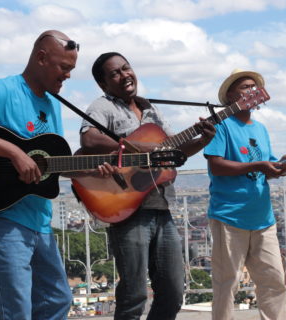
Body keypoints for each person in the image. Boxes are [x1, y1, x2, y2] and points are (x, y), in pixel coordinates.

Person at [0, 30, 114, 320]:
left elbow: (49, 162)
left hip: (39, 220)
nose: (68, 76)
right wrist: (14, 153)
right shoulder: (4, 90)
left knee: (56, 302)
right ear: (41, 58)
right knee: (15, 312)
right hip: (0, 217)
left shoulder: (52, 103)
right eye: (64, 67)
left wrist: (94, 169)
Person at [79, 52, 216, 320]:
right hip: (127, 208)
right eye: (115, 73)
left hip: (161, 206)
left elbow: (173, 151)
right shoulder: (103, 106)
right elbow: (90, 140)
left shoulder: (150, 109)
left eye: (126, 68)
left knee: (174, 291)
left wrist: (202, 140)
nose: (124, 75)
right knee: (134, 294)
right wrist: (140, 148)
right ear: (103, 84)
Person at [204, 68, 286, 320]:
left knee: (274, 282)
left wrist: (285, 164)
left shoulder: (261, 129)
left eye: (254, 86)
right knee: (226, 285)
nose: (251, 90)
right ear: (230, 96)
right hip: (230, 216)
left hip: (263, 219)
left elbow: (268, 167)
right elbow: (216, 165)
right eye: (245, 87)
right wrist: (258, 166)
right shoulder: (220, 124)